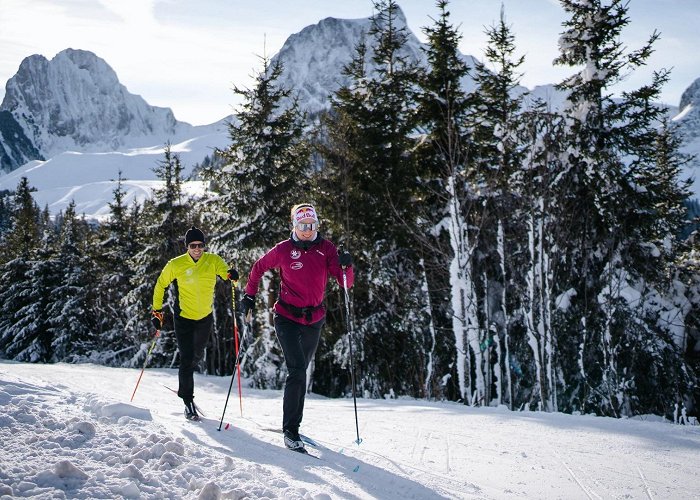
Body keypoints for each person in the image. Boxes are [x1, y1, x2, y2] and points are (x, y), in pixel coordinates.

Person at [242, 204, 354, 451]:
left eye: (312, 226)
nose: (307, 231)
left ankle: (294, 425)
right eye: (303, 226)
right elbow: (258, 267)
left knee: (302, 369)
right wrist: (249, 295)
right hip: (286, 318)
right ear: (294, 225)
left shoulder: (326, 249)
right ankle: (291, 430)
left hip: (314, 319)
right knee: (296, 370)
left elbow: (345, 282)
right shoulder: (283, 250)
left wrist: (347, 266)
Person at [152, 226, 238, 421]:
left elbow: (227, 274)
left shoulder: (213, 261)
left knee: (195, 357)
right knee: (186, 359)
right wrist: (157, 312)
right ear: (187, 246)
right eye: (193, 245)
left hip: (204, 318)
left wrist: (231, 275)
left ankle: (185, 390)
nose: (197, 249)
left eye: (200, 245)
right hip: (183, 318)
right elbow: (160, 284)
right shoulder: (176, 264)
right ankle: (187, 401)